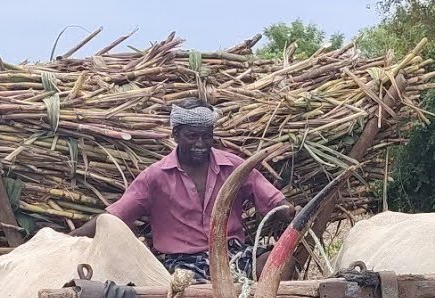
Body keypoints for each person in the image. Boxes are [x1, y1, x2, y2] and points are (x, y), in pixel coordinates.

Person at [71, 99, 293, 281]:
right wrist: (65, 239)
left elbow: (274, 201)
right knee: (182, 289)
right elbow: (115, 217)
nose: (201, 143)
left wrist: (288, 211)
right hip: (181, 265)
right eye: (192, 136)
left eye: (207, 136)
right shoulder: (155, 177)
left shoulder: (235, 167)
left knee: (278, 264)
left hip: (234, 256)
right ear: (176, 135)